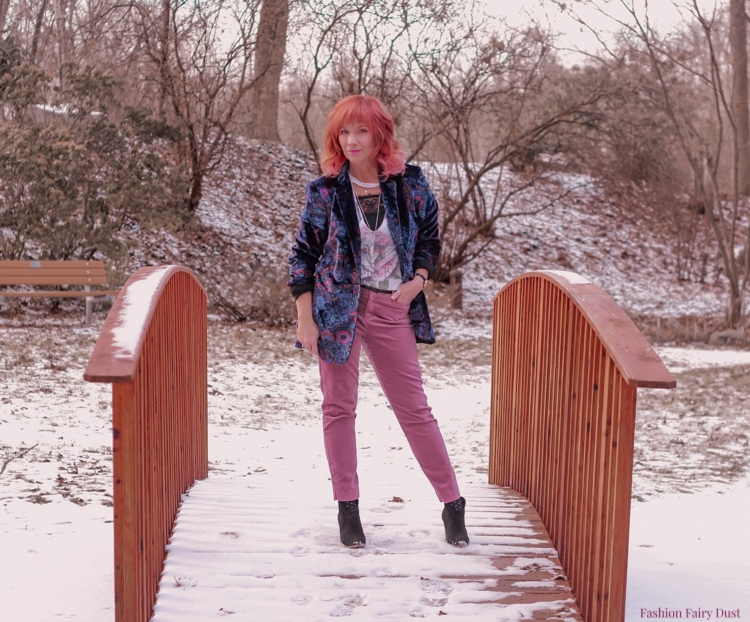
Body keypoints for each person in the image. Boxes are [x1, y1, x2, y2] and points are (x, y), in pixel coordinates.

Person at [288, 94, 468, 549]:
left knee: (413, 409)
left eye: (362, 130)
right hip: (335, 311)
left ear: (380, 135)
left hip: (392, 306)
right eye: (344, 132)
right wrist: (305, 318)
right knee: (338, 408)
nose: (351, 140)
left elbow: (429, 237)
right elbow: (303, 257)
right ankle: (348, 510)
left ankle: (452, 504)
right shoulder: (324, 192)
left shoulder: (409, 184)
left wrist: (418, 281)